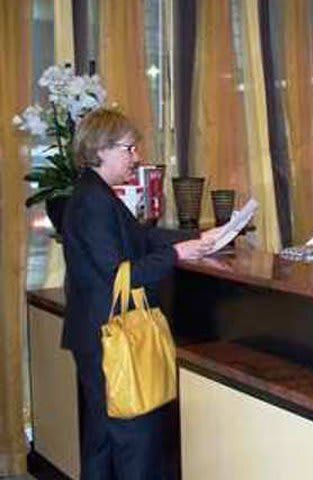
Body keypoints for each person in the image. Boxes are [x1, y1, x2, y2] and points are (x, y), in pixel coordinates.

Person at [62, 108, 217, 479]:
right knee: (135, 443)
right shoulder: (93, 202)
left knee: (102, 444)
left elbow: (142, 237)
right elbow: (121, 274)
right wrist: (178, 254)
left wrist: (195, 239)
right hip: (112, 338)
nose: (137, 157)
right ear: (100, 150)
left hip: (97, 334)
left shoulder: (95, 193)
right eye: (129, 149)